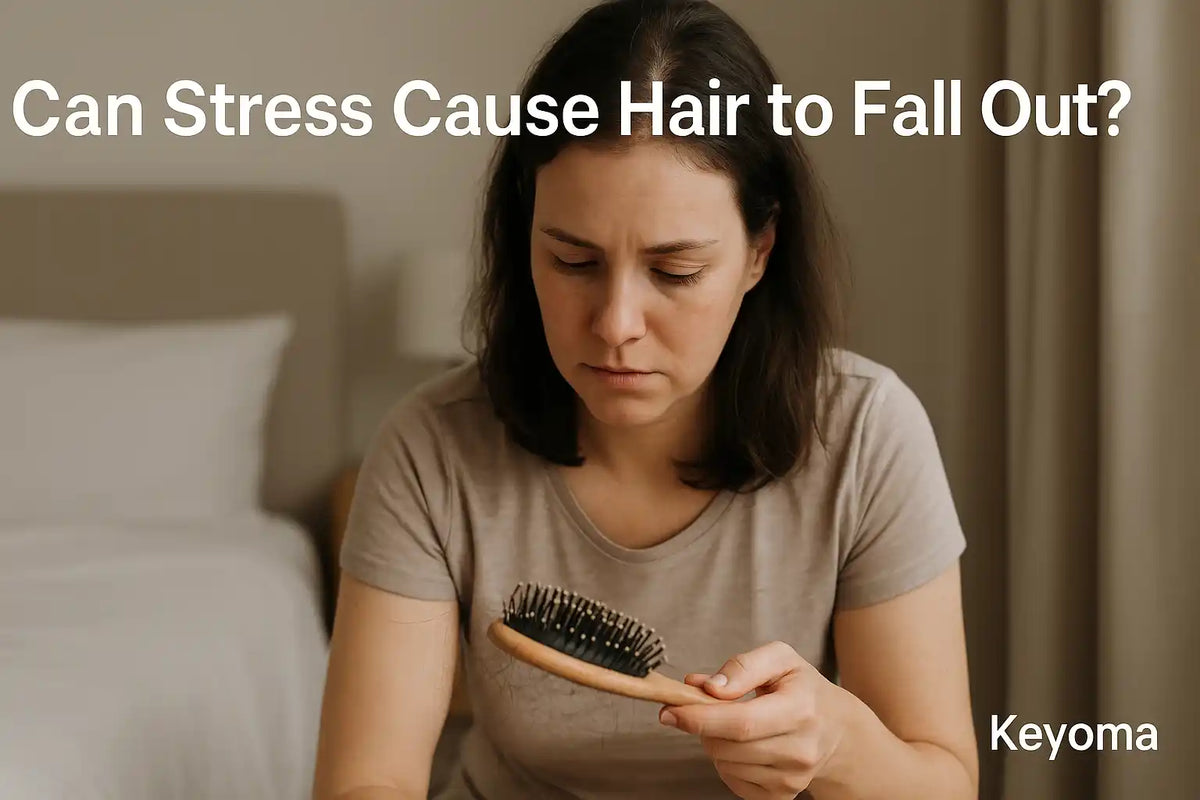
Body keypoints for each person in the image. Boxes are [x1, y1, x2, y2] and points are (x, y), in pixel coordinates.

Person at [311, 1, 978, 798]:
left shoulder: (869, 436)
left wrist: (837, 745)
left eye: (676, 272)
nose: (616, 325)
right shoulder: (432, 449)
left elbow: (944, 782)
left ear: (760, 252)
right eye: (572, 261)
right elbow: (365, 783)